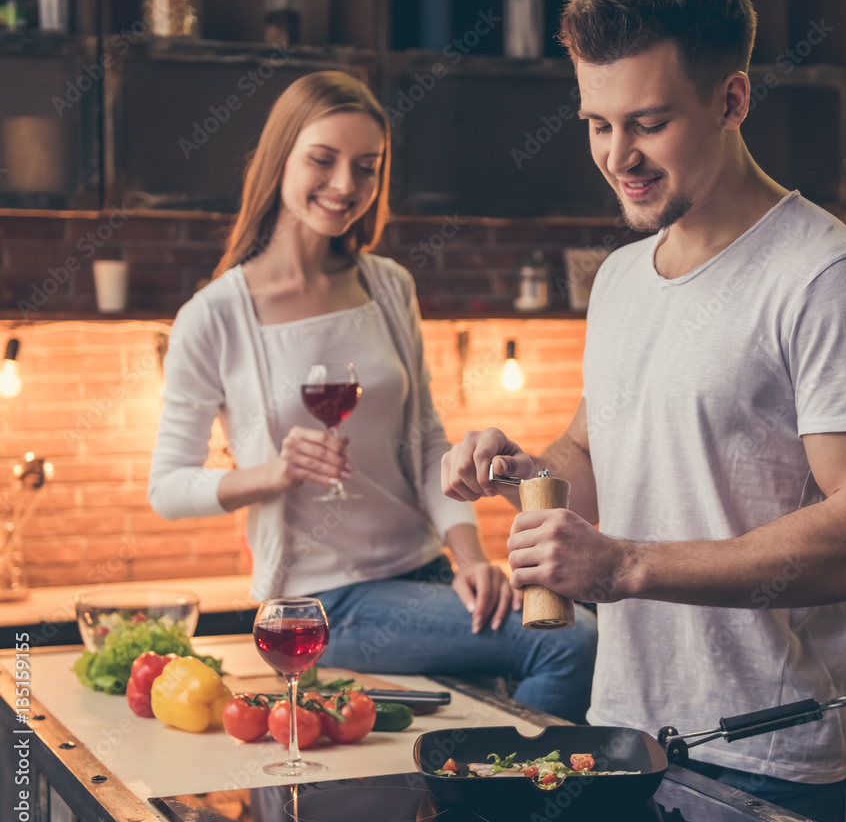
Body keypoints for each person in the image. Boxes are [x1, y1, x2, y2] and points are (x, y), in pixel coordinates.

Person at [441, 0, 846, 822]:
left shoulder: (831, 279)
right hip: (637, 737)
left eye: (649, 123)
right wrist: (525, 470)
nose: (617, 156)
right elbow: (595, 460)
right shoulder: (623, 277)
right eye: (596, 124)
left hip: (786, 760)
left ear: (732, 99)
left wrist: (627, 568)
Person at [147, 70, 597, 723]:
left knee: (515, 674)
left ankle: (495, 793)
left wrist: (469, 557)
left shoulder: (388, 286)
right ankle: (521, 800)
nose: (344, 187)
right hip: (326, 599)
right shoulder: (215, 316)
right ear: (281, 160)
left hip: (424, 576)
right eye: (323, 161)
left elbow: (426, 443)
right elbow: (167, 486)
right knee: (569, 641)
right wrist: (273, 473)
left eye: (367, 168)